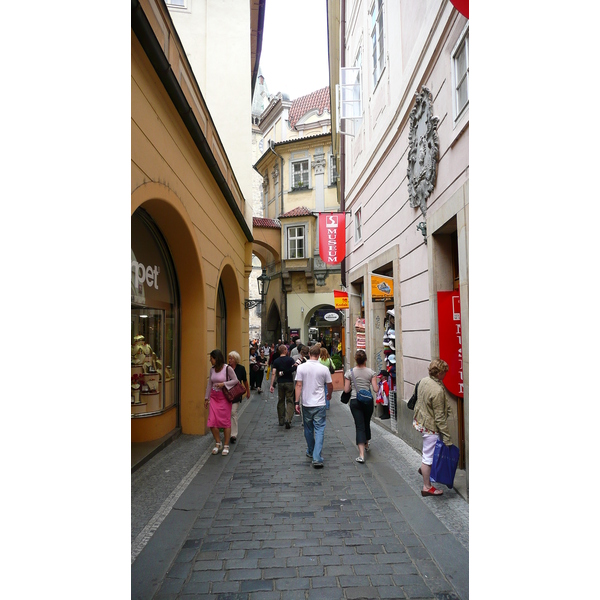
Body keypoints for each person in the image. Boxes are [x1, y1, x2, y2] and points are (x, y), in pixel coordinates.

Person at [413, 358, 453, 497]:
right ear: (440, 373)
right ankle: (427, 487)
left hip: (421, 421)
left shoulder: (424, 380)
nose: (446, 375)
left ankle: (424, 470)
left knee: (428, 453)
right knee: (428, 457)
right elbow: (439, 417)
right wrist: (447, 437)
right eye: (445, 372)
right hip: (430, 426)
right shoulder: (437, 390)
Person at [295, 345, 333, 469]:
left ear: (309, 354)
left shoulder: (301, 368)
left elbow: (298, 385)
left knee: (308, 428)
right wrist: (329, 394)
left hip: (306, 403)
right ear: (318, 355)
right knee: (320, 429)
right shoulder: (324, 369)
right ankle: (317, 457)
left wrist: (296, 402)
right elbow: (330, 384)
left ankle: (311, 451)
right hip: (320, 403)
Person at [344, 350, 378, 464]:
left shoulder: (350, 373)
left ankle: (361, 455)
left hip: (355, 401)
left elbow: (346, 390)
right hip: (367, 401)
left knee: (359, 426)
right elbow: (375, 389)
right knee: (367, 422)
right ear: (366, 360)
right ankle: (367, 443)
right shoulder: (371, 372)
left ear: (355, 359)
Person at [205, 349, 238, 456]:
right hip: (214, 397)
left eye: (212, 358)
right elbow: (210, 383)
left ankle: (226, 445)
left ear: (217, 358)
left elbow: (235, 380)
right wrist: (206, 398)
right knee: (212, 421)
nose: (210, 360)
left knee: (224, 421)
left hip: (224, 397)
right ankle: (218, 442)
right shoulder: (212, 369)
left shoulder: (227, 368)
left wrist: (223, 384)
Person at [269, 344, 296, 428]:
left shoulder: (276, 361)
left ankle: (281, 420)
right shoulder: (290, 360)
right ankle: (288, 419)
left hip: (280, 383)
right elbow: (294, 369)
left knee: (281, 401)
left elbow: (273, 373)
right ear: (285, 350)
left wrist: (272, 384)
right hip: (289, 382)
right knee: (290, 401)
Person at [227, 351, 251, 444]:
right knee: (227, 413)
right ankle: (227, 431)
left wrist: (248, 392)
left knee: (233, 412)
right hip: (227, 393)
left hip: (236, 394)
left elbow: (245, 381)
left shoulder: (241, 368)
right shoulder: (226, 368)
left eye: (231, 358)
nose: (229, 360)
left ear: (236, 360)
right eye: (229, 358)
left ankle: (233, 434)